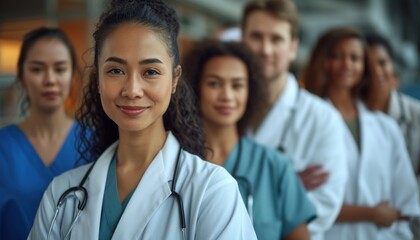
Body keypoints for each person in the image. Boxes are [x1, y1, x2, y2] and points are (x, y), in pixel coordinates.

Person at [28, 0, 256, 239]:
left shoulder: (212, 190)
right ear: (97, 78)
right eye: (116, 70)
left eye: (150, 72)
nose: (132, 90)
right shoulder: (62, 194)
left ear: (175, 79)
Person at [183, 39, 316, 240]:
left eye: (237, 85)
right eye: (214, 83)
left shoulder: (275, 167)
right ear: (195, 88)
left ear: (250, 92)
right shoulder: (178, 161)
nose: (227, 95)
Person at [240, 1, 348, 239]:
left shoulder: (322, 118)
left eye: (276, 39)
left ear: (292, 47)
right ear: (242, 41)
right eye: (256, 37)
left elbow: (325, 205)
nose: (265, 49)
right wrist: (285, 188)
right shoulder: (221, 108)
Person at [301, 27, 420, 239]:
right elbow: (305, 203)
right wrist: (372, 213)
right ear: (322, 61)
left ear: (364, 67)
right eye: (337, 56)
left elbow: (405, 204)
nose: (347, 64)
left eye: (355, 58)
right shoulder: (306, 121)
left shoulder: (386, 128)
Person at [0, 27, 88, 240]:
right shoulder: (3, 146)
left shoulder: (95, 143)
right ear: (21, 76)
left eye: (60, 69)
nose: (50, 79)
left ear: (73, 76)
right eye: (37, 69)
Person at [365, 32, 420, 240]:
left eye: (382, 63)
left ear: (393, 67)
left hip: (414, 224)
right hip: (364, 224)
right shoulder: (349, 117)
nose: (376, 72)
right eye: (367, 65)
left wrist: (392, 199)